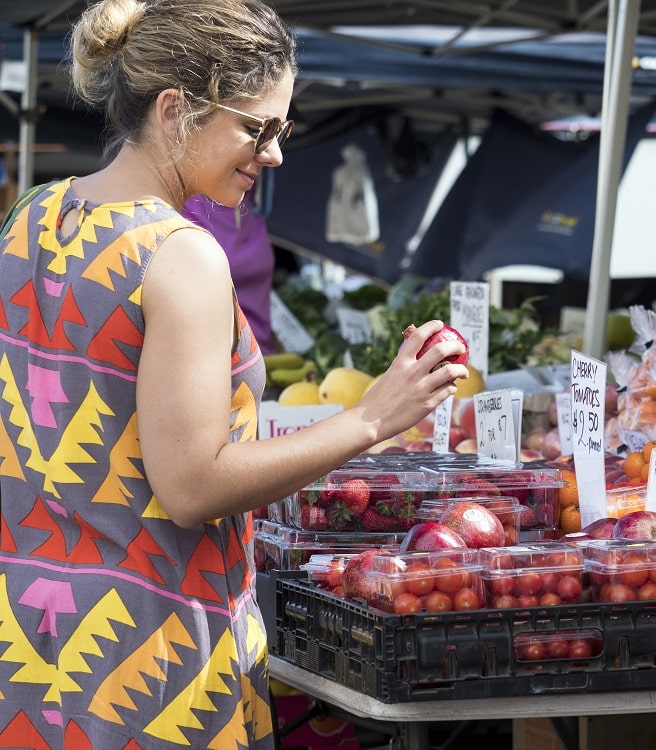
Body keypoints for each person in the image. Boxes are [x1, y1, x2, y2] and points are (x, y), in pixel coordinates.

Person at [0, 1, 467, 748]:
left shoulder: (30, 214)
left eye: (281, 129)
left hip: (29, 643)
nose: (275, 153)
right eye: (257, 127)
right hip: (147, 664)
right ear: (174, 110)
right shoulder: (180, 255)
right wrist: (371, 418)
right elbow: (192, 487)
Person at [184, 184, 279, 353]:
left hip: (267, 361)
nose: (274, 158)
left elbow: (256, 300)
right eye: (255, 154)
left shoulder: (252, 200)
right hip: (214, 368)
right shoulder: (180, 206)